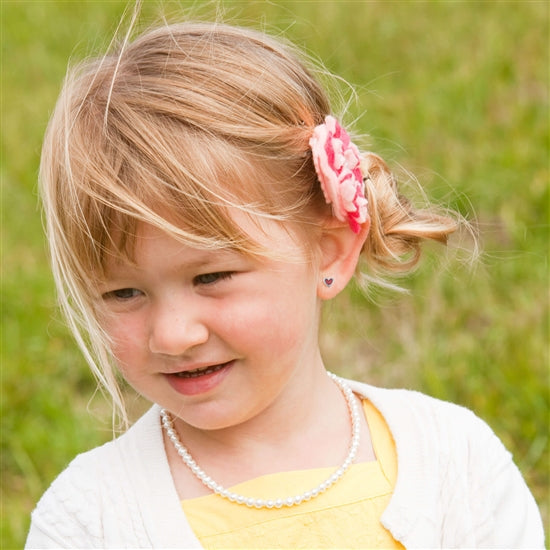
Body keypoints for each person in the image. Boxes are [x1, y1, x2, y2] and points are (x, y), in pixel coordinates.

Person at [26, 19, 544, 549]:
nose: (173, 334)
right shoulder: (90, 519)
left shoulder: (455, 465)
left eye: (211, 276)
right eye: (124, 293)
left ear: (330, 250)